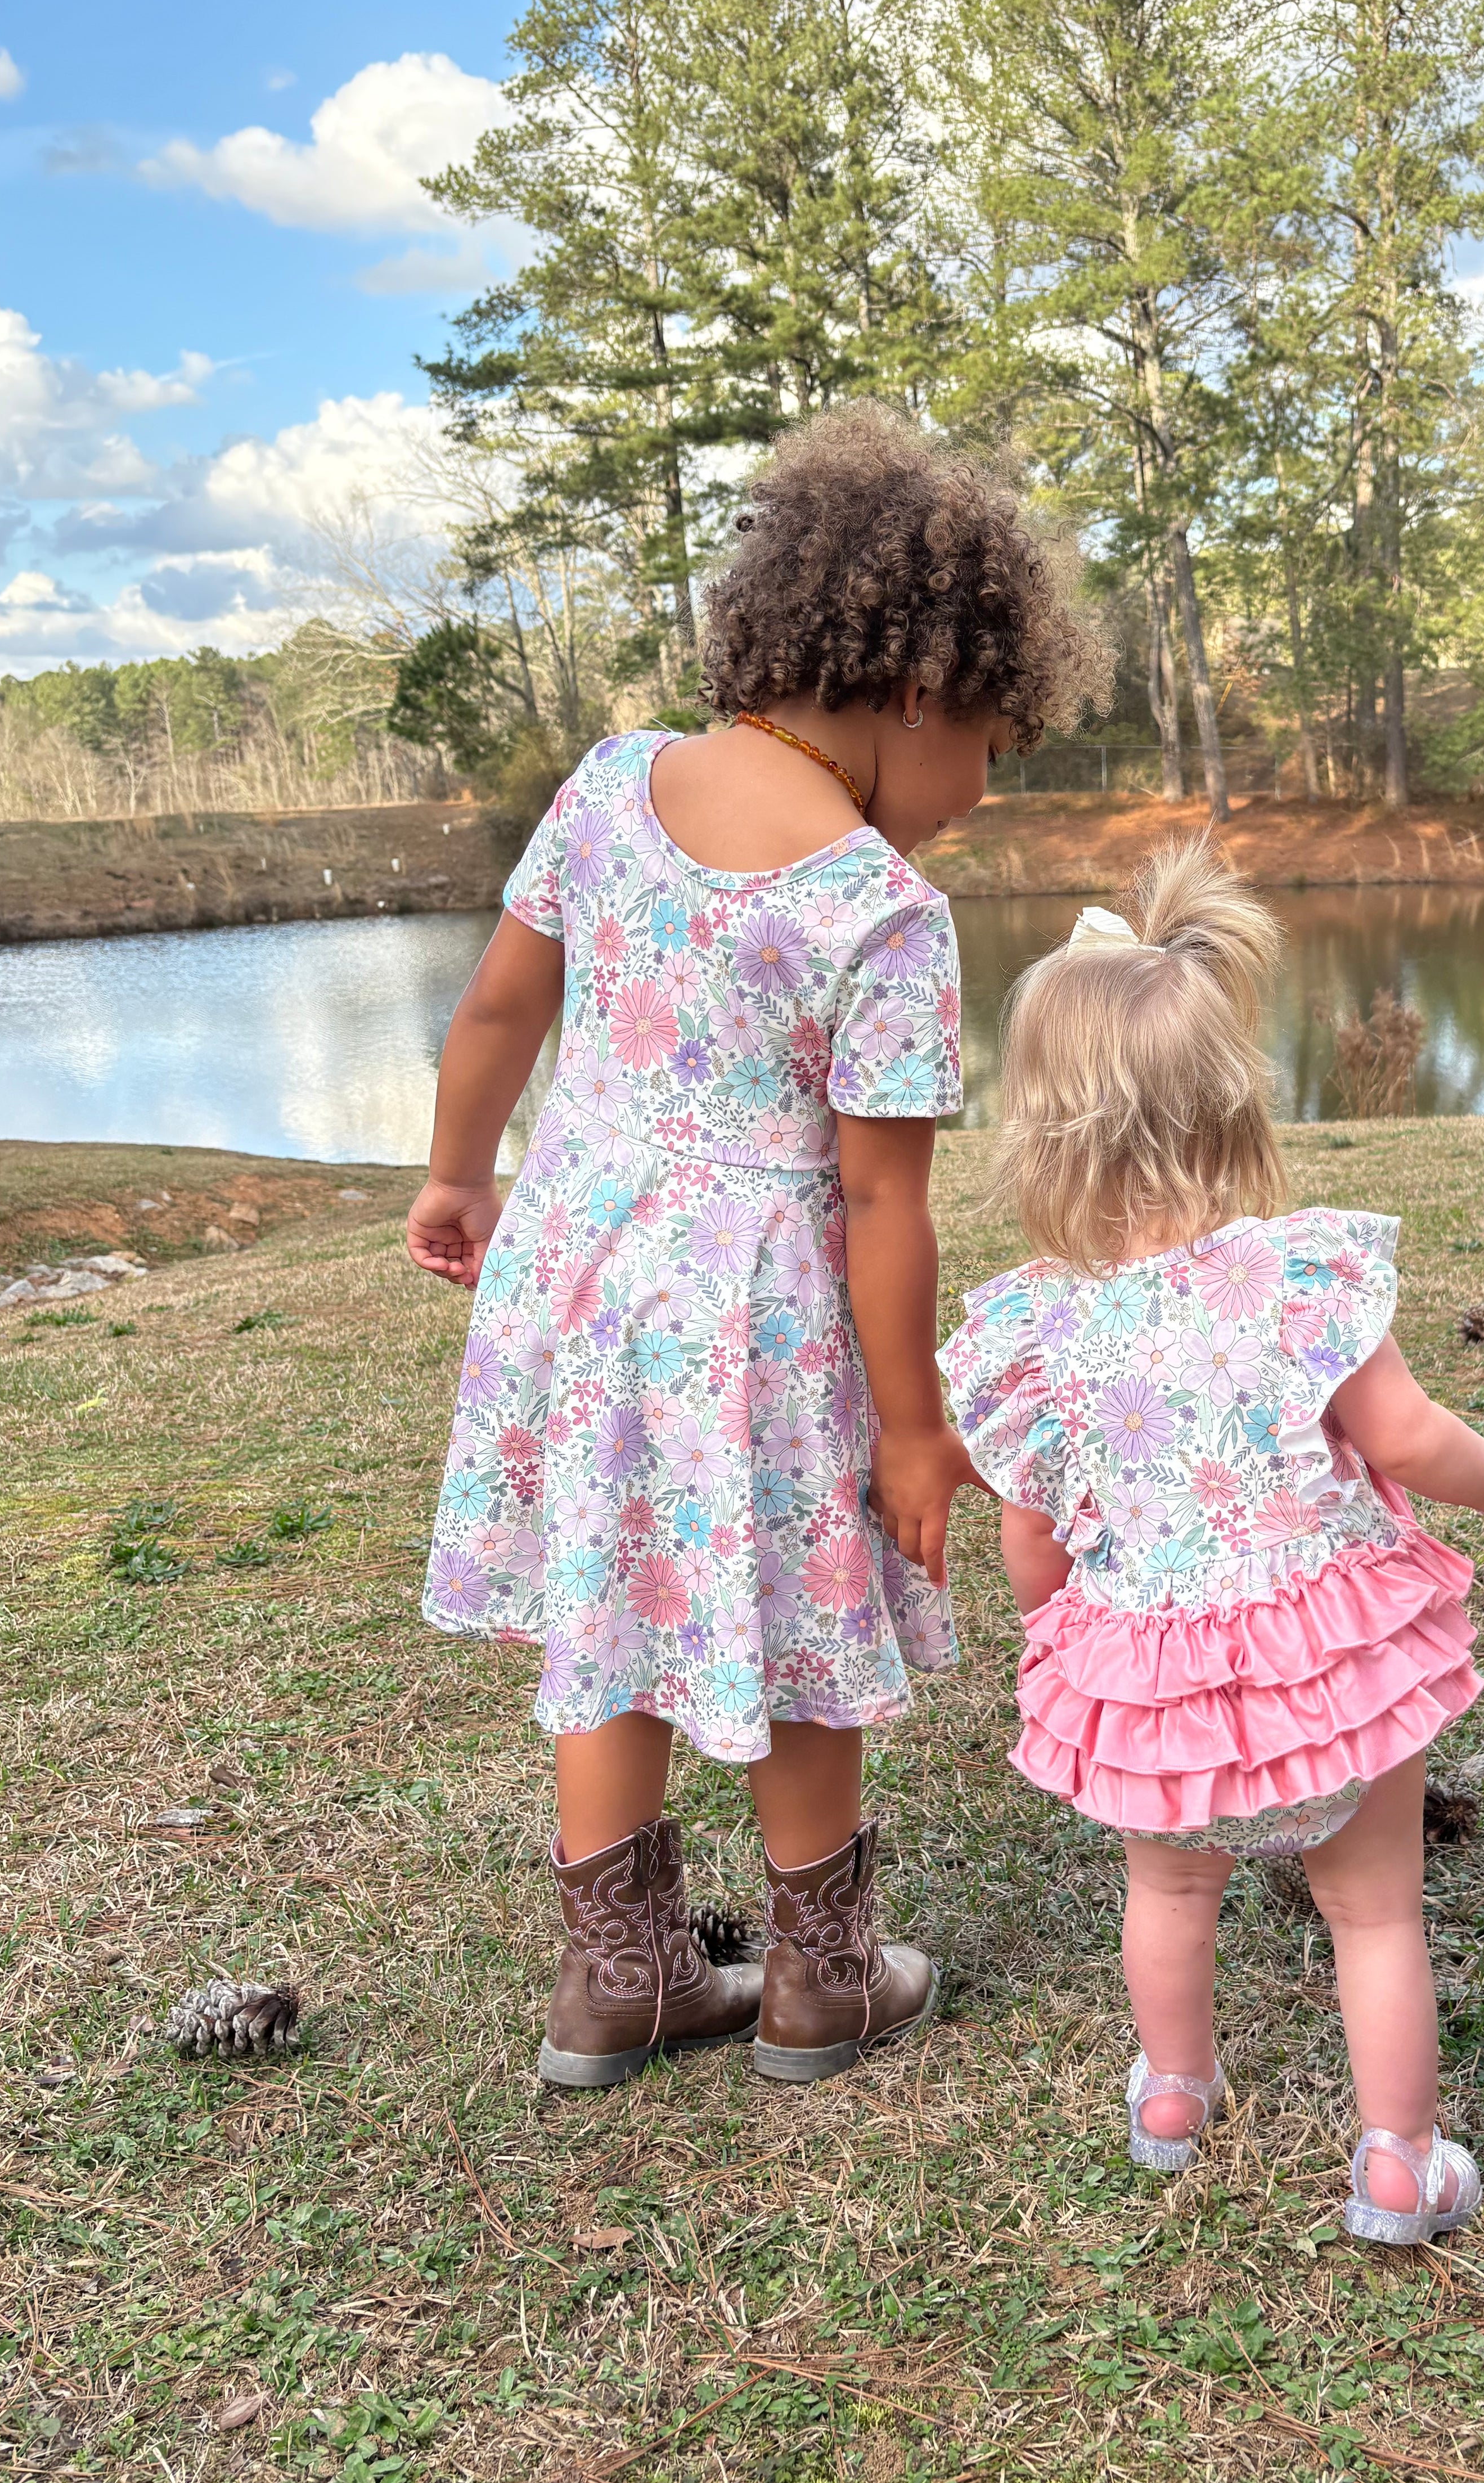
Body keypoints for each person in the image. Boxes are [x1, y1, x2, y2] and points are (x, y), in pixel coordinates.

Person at [409, 404, 1103, 2090]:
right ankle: (821, 1978)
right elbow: (882, 1201)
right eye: (996, 747)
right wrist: (919, 1427)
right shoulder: (878, 911)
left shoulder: (607, 789)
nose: (981, 796)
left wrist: (455, 1174)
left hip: (580, 1281)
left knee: (609, 1604)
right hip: (763, 1322)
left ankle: (620, 1982)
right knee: (799, 1619)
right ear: (923, 690)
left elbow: (505, 1002)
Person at [938, 849, 1484, 2241]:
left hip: (1156, 1687)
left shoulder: (1039, 1331)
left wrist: (1065, 1620)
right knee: (1375, 1913)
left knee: (1167, 1887)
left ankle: (1172, 2091)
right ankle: (1398, 2160)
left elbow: (1030, 1543)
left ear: (1040, 1134)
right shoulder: (1297, 1278)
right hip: (1327, 1665)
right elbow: (1407, 1441)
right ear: (1234, 1107)